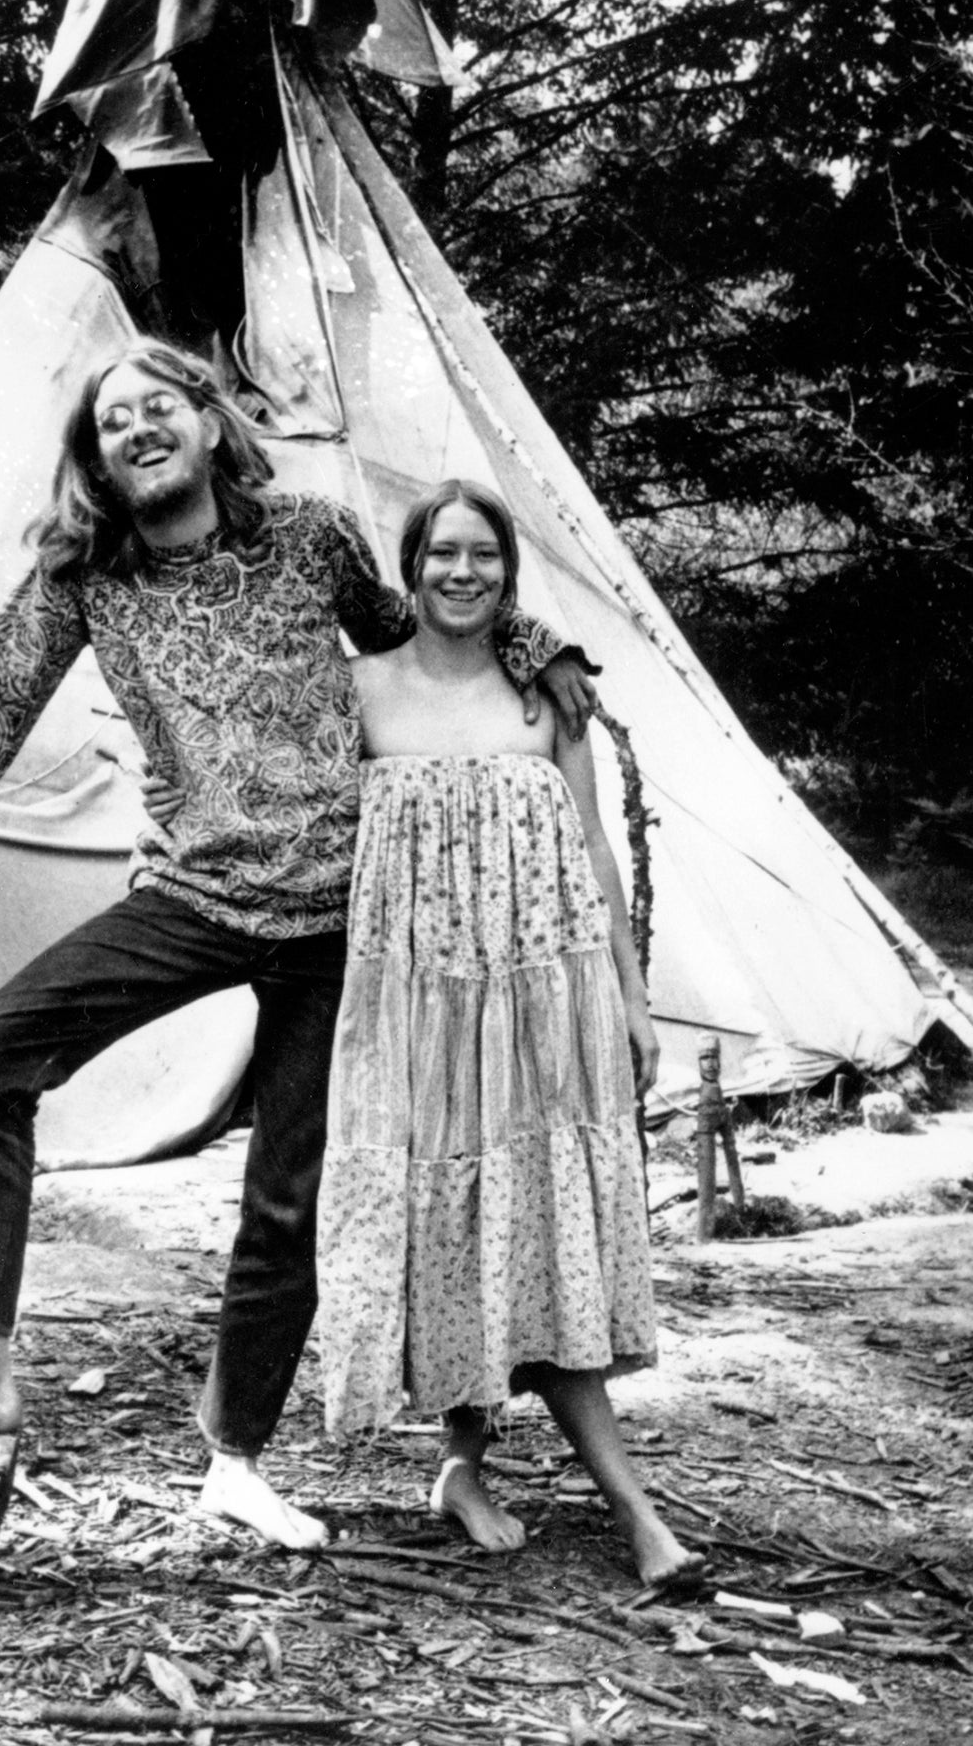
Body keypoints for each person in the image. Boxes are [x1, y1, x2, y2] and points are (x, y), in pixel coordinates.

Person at [0, 342, 594, 1550]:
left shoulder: (313, 536)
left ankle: (236, 1459)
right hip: (194, 897)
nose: (138, 426)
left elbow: (418, 637)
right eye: (113, 420)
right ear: (98, 460)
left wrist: (539, 646)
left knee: (289, 1195)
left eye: (158, 404)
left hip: (343, 915)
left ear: (211, 426)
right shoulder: (84, 579)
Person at [316, 478, 702, 1592]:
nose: (463, 572)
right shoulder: (360, 694)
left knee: (536, 1219)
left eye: (484, 554)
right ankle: (470, 1466)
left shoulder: (546, 699)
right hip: (418, 1007)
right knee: (455, 1219)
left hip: (545, 999)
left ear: (510, 573)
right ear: (410, 563)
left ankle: (625, 1505)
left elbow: (593, 846)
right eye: (442, 552)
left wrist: (630, 998)